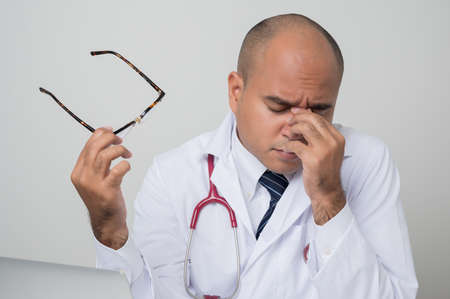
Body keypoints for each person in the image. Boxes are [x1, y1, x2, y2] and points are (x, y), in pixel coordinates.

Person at [71, 13, 418, 298]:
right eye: (279, 106)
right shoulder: (174, 174)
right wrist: (109, 229)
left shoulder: (366, 161)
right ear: (236, 92)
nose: (298, 128)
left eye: (320, 110)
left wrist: (330, 201)